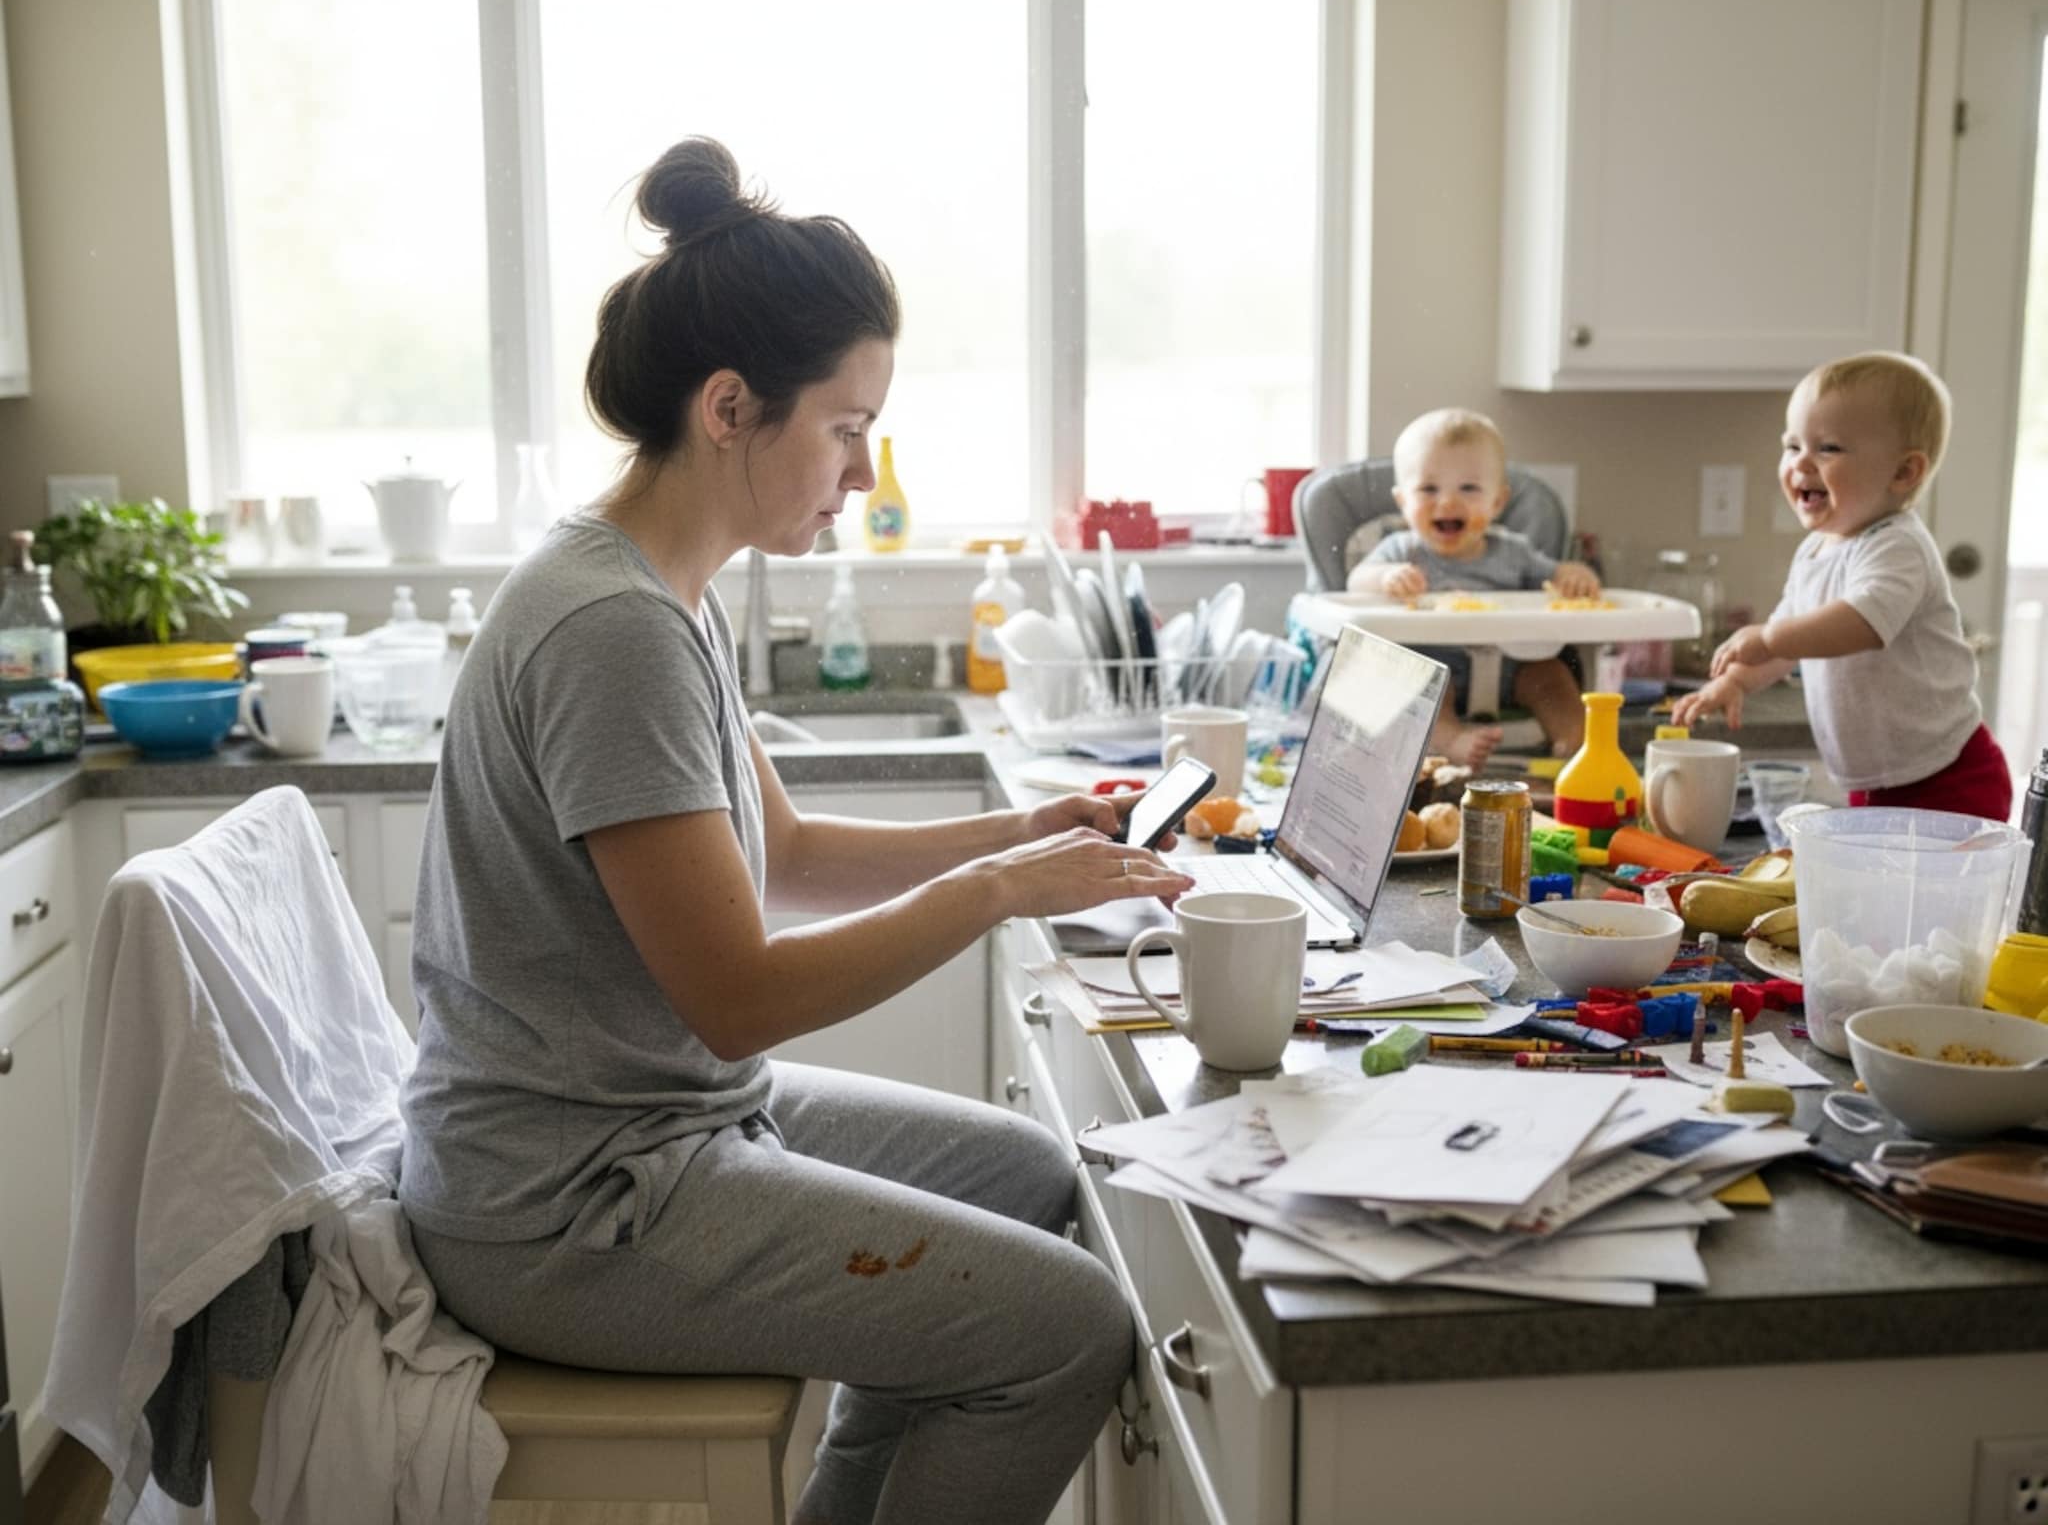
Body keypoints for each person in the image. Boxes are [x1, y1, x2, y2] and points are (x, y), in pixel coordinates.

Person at [397, 137, 1192, 1525]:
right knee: (1065, 1332)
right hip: (570, 1204)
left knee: (1036, 1178)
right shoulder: (612, 631)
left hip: (653, 1134)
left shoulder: (664, 589)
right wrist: (1003, 886)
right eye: (843, 424)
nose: (863, 466)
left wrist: (1023, 829)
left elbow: (793, 857)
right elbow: (735, 998)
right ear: (729, 407)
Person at [1672, 351, 2011, 822]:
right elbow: (1791, 643)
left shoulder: (1898, 546)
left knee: (1932, 895)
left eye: (1828, 448)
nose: (1802, 464)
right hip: (1873, 780)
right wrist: (1734, 681)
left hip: (1948, 776)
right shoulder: (1816, 550)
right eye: (1792, 446)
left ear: (1903, 472)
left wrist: (1767, 636)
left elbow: (1862, 623)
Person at [1345, 408, 1601, 761]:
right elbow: (1355, 582)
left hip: (1514, 668)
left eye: (1468, 488)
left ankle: (1579, 745)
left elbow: (1556, 575)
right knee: (1414, 684)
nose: (1448, 501)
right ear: (1403, 502)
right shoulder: (1402, 550)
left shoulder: (1513, 551)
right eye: (1428, 489)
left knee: (1552, 674)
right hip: (1431, 665)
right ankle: (1452, 741)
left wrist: (1575, 576)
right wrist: (1386, 579)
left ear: (1497, 502)